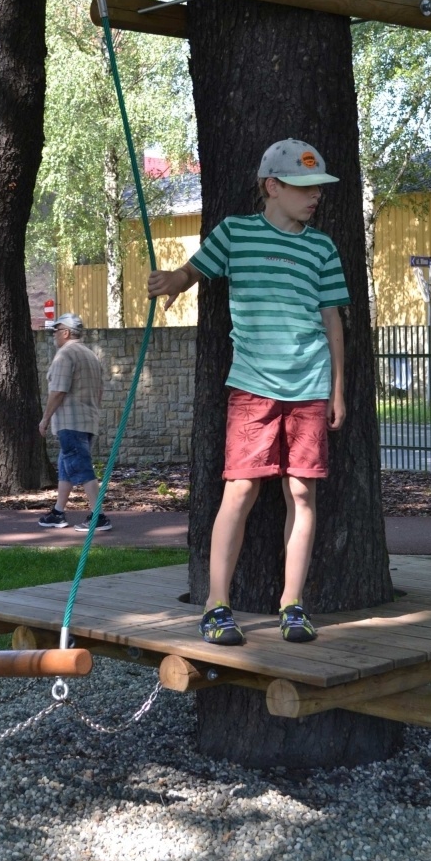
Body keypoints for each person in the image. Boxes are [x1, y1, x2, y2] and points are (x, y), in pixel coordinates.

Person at [147, 138, 349, 645]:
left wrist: (338, 389)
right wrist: (173, 278)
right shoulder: (236, 234)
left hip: (309, 388)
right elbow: (195, 270)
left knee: (302, 493)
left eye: (318, 188)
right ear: (272, 186)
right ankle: (217, 604)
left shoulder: (321, 247)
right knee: (240, 489)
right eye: (303, 187)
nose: (315, 196)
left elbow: (332, 320)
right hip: (252, 388)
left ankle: (292, 604)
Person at [36, 312, 111, 532]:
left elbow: (58, 391)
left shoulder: (64, 355)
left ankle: (99, 516)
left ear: (66, 333)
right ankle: (58, 512)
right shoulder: (90, 356)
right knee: (66, 468)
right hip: (87, 421)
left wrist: (45, 418)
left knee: (82, 467)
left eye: (56, 331)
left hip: (70, 422)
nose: (54, 336)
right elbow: (99, 392)